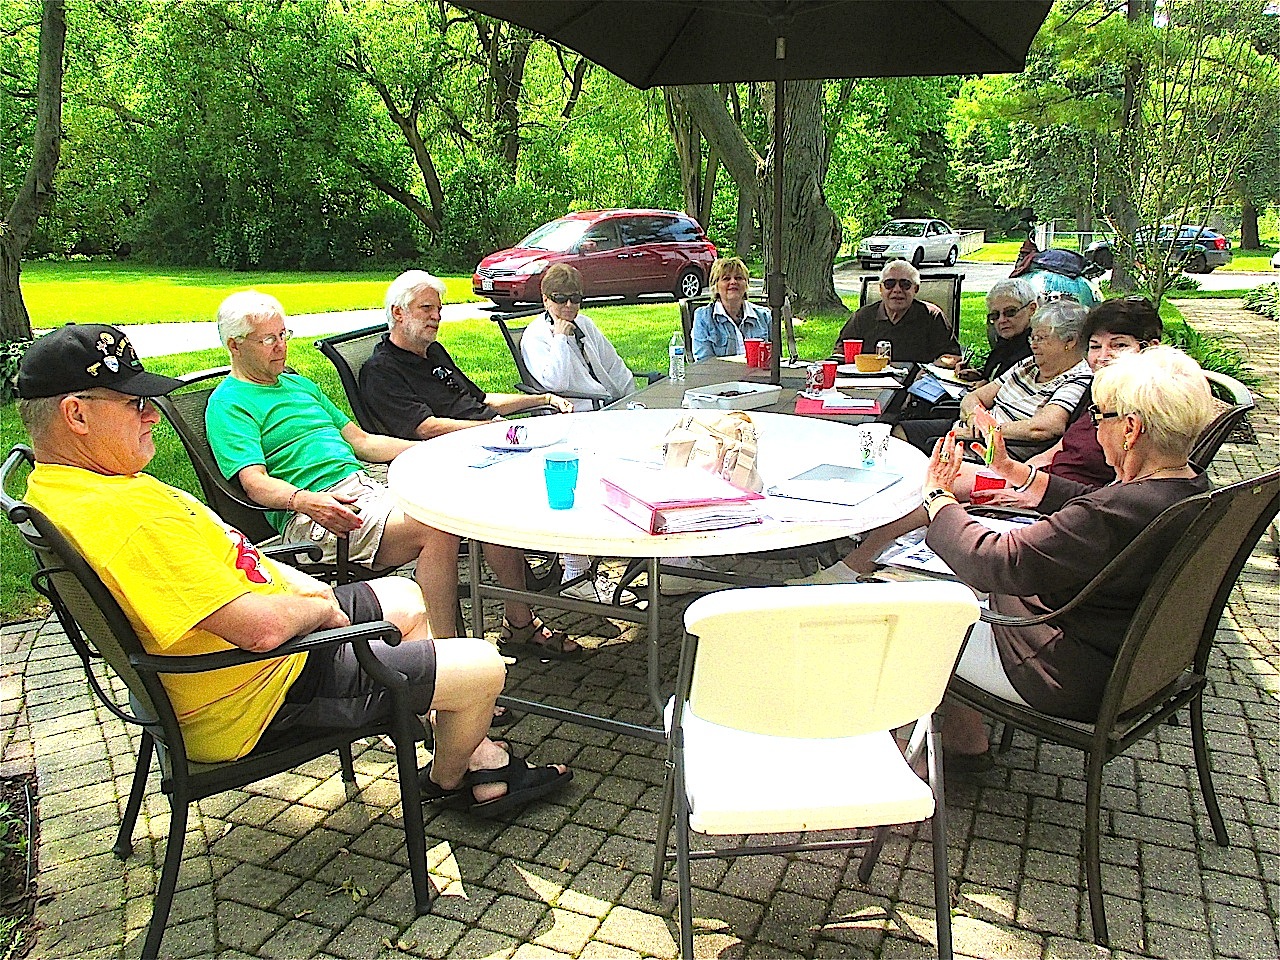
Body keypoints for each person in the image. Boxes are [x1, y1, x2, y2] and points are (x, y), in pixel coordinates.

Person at [16, 323, 571, 816]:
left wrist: (305, 594)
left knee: (408, 601)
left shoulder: (74, 487)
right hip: (259, 693)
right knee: (484, 666)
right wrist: (321, 604)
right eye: (133, 404)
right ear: (76, 413)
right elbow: (258, 629)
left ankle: (468, 747)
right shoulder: (125, 518)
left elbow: (239, 572)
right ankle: (451, 778)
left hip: (249, 658)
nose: (151, 414)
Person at [205, 291, 585, 661]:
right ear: (235, 345)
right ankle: (445, 660)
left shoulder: (300, 386)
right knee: (438, 526)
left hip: (362, 490)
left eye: (284, 334)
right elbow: (253, 482)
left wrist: (438, 450)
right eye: (268, 338)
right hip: (313, 514)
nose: (280, 346)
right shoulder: (228, 404)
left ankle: (518, 624)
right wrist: (305, 500)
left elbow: (364, 443)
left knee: (479, 504)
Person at [921, 346, 1215, 767]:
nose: (1095, 430)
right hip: (1134, 667)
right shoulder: (1188, 490)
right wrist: (1014, 471)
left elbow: (994, 562)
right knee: (957, 584)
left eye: (1099, 417)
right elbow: (1095, 503)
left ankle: (918, 754)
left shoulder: (1115, 514)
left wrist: (939, 498)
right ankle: (964, 736)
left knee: (910, 615)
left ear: (1130, 429)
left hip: (1064, 674)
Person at [800, 298, 1162, 582]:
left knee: (936, 483)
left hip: (1048, 517)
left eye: (1118, 345)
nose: (1101, 357)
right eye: (1095, 346)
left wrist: (1019, 482)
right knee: (923, 464)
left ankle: (854, 565)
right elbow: (1061, 447)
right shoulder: (1106, 398)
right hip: (1038, 484)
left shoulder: (1136, 414)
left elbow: (1068, 452)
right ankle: (857, 548)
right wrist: (1021, 474)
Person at [360, 270, 635, 607]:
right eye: (426, 309)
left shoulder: (433, 354)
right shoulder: (382, 370)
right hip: (455, 457)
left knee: (580, 455)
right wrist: (493, 431)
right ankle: (572, 576)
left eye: (439, 310)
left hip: (492, 440)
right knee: (562, 470)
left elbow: (482, 401)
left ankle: (576, 569)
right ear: (397, 312)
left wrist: (543, 399)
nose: (436, 317)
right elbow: (426, 427)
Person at [898, 299, 1092, 460]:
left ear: (1070, 341)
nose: (1033, 345)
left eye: (1040, 338)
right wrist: (974, 419)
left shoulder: (1076, 378)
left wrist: (987, 431)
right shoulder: (1029, 364)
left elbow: (1044, 428)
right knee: (898, 433)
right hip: (972, 432)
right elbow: (974, 397)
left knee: (908, 458)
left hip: (997, 451)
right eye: (1032, 338)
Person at [520, 263, 637, 411]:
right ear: (545, 300)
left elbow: (614, 366)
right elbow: (556, 383)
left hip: (608, 405)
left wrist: (632, 398)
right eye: (560, 298)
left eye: (575, 298)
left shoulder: (584, 323)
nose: (569, 305)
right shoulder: (535, 336)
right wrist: (560, 338)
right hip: (576, 412)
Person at [830, 260, 961, 366]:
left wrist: (930, 370)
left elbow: (953, 357)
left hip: (917, 385)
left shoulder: (932, 316)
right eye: (889, 284)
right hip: (870, 384)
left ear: (916, 289)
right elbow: (841, 353)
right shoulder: (862, 317)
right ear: (881, 289)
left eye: (905, 284)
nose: (897, 290)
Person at [956, 278, 1038, 386]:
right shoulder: (1006, 341)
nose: (1002, 320)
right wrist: (981, 375)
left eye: (1010, 312)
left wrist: (987, 387)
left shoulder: (1037, 346)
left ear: (1032, 309)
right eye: (995, 315)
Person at [690, 257, 772, 361]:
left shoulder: (764, 316)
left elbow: (774, 359)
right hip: (720, 376)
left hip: (759, 376)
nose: (733, 282)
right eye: (726, 278)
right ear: (715, 286)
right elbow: (704, 362)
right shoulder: (703, 318)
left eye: (738, 278)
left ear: (746, 284)